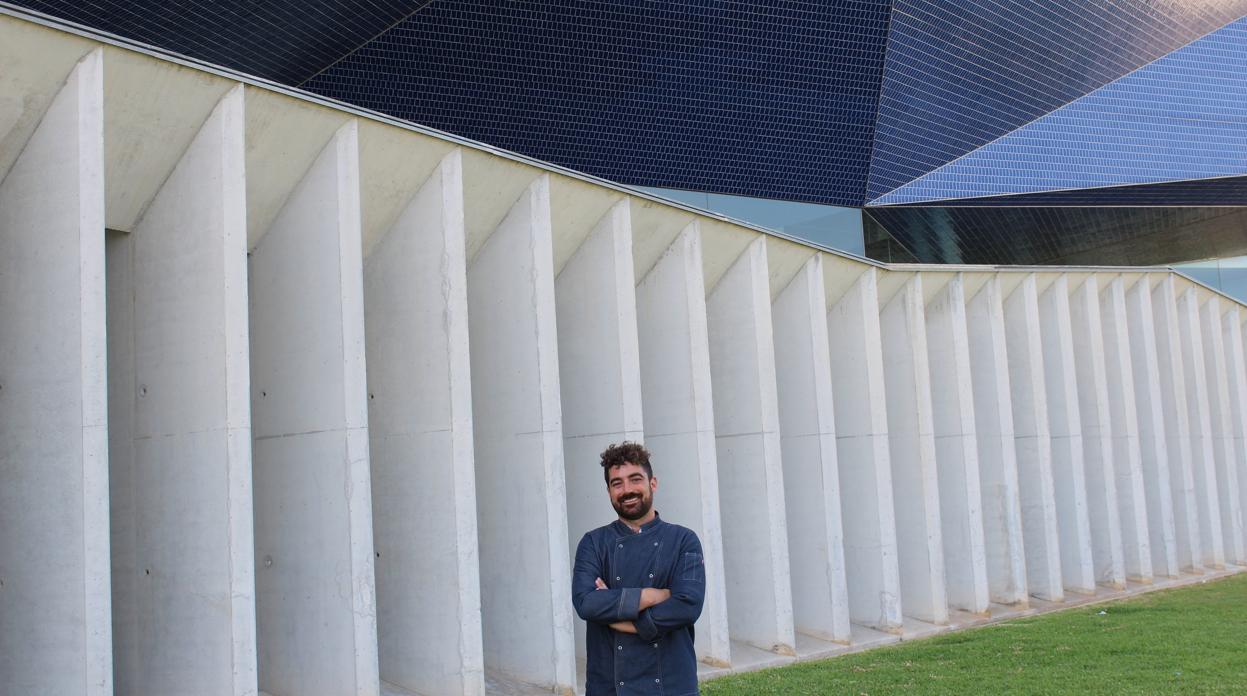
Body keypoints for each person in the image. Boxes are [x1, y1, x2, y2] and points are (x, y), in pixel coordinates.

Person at [572, 441, 705, 696]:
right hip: (609, 686)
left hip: (671, 686)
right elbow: (586, 603)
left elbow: (688, 605)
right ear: (609, 491)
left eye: (635, 479)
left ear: (652, 483)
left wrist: (628, 623)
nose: (627, 490)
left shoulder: (684, 540)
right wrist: (652, 595)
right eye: (617, 483)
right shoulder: (593, 543)